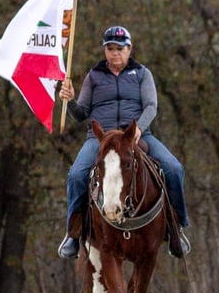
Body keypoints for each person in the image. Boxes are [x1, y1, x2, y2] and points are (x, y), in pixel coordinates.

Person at [57, 25, 191, 259]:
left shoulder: (142, 74)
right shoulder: (94, 76)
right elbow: (81, 114)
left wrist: (139, 126)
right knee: (77, 174)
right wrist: (69, 102)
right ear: (105, 50)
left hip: (137, 136)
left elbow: (151, 106)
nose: (115, 53)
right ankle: (73, 234)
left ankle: (175, 227)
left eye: (120, 48)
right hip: (101, 139)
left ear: (129, 49)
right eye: (110, 48)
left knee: (174, 169)